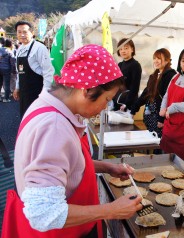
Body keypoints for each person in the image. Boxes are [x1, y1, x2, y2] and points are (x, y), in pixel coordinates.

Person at [1, 44, 142, 238]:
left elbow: (65, 165)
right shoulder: (54, 126)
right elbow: (43, 212)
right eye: (107, 99)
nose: (105, 107)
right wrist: (111, 210)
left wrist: (107, 167)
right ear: (86, 90)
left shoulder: (46, 104)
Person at [130, 48, 177, 139]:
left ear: (167, 60)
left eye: (159, 58)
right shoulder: (154, 75)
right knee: (153, 139)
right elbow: (145, 94)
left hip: (160, 117)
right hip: (151, 116)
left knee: (160, 141)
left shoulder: (170, 75)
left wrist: (161, 119)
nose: (156, 61)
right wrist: (134, 109)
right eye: (154, 58)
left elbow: (167, 99)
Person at [13, 20, 55, 118]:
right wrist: (17, 87)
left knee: (37, 119)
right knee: (25, 117)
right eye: (19, 32)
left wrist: (45, 93)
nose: (22, 35)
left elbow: (48, 72)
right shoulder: (20, 49)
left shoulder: (39, 48)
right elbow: (19, 71)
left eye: (25, 32)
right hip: (24, 92)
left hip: (37, 92)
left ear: (32, 33)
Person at [112, 38, 142, 112]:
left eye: (126, 48)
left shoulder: (135, 65)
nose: (123, 51)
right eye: (121, 49)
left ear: (132, 49)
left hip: (127, 103)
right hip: (117, 100)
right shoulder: (120, 65)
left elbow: (135, 87)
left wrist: (126, 104)